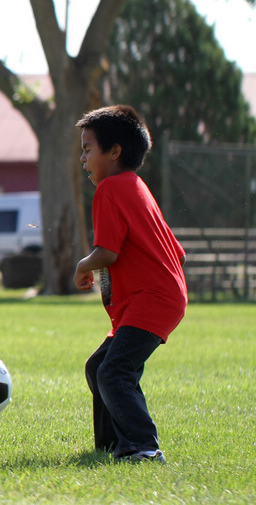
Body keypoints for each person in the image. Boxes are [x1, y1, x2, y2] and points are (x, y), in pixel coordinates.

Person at [73, 105, 187, 463]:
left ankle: (143, 448)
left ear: (115, 151)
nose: (83, 159)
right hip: (162, 297)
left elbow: (106, 251)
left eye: (88, 149)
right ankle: (109, 447)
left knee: (116, 371)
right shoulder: (137, 188)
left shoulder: (109, 189)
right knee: (99, 367)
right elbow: (177, 252)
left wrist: (83, 265)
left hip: (150, 300)